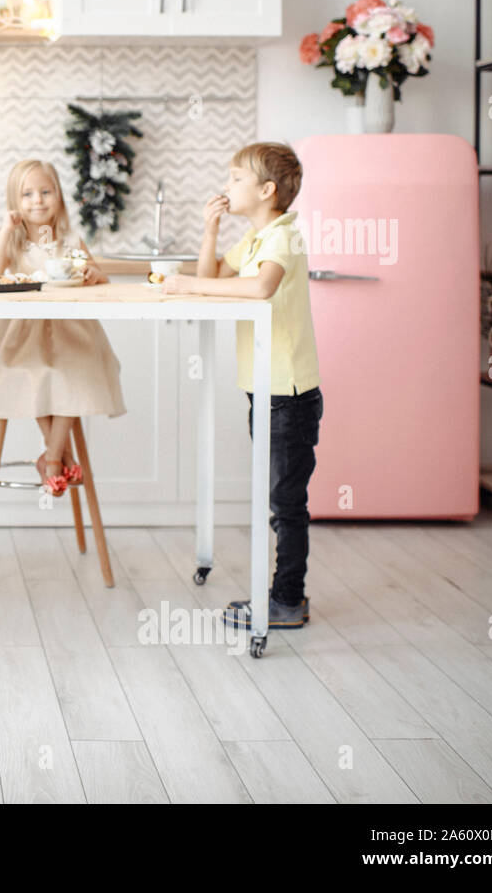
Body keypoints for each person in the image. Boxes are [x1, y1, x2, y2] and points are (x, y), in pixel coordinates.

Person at [163, 141, 322, 629]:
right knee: (278, 499)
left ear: (266, 190)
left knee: (285, 504)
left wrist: (188, 285)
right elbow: (212, 275)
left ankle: (287, 600)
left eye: (235, 178)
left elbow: (259, 288)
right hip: (267, 389)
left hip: (288, 394)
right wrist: (209, 230)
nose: (226, 185)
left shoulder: (282, 237)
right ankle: (284, 596)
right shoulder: (256, 238)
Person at [0, 158, 127, 494]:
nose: (38, 200)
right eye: (27, 194)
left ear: (58, 196)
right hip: (21, 331)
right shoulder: (13, 241)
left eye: (46, 192)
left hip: (69, 331)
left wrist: (94, 274)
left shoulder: (70, 239)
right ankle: (57, 456)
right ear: (14, 203)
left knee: (72, 372)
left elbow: (95, 272)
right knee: (39, 374)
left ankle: (52, 458)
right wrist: (5, 229)